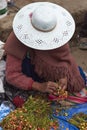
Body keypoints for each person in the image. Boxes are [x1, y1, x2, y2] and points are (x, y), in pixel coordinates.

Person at [4, 2, 87, 99]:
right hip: (30, 71)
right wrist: (38, 86)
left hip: (48, 72)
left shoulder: (59, 35)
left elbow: (64, 59)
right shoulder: (17, 39)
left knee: (79, 77)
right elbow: (12, 75)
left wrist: (63, 76)